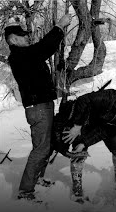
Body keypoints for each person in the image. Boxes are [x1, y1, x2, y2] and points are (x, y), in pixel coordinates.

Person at [5, 14, 72, 201]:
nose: (27, 37)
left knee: (44, 145)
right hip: (39, 109)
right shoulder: (19, 55)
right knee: (41, 149)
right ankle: (25, 191)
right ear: (14, 40)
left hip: (42, 106)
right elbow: (45, 48)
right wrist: (59, 26)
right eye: (23, 35)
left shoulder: (24, 56)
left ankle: (37, 178)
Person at [53, 88, 116, 203]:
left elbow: (105, 131)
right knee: (78, 151)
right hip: (84, 120)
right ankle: (77, 190)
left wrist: (85, 142)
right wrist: (77, 126)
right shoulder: (110, 97)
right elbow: (83, 100)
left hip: (103, 126)